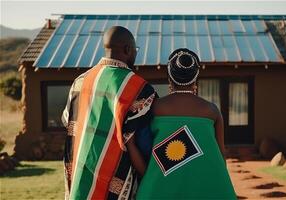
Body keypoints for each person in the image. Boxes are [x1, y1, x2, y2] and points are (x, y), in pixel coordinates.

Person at [61, 26, 156, 200]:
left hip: (80, 179)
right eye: (135, 50)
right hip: (114, 184)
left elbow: (67, 122)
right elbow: (142, 141)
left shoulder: (80, 82)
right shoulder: (139, 89)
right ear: (128, 49)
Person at [135, 48, 237, 199]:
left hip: (159, 190)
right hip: (208, 190)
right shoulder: (212, 111)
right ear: (195, 79)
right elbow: (221, 159)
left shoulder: (153, 108)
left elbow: (144, 153)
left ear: (170, 79)